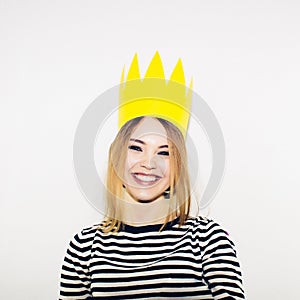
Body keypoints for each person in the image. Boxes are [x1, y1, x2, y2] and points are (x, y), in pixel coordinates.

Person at [59, 53, 245, 299]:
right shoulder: (84, 246)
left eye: (164, 152)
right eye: (136, 148)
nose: (148, 163)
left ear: (178, 166)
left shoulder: (208, 238)